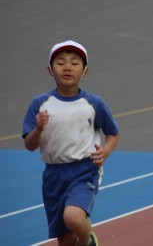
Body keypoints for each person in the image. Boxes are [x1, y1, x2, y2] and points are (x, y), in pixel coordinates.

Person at [22, 40, 120, 246]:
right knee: (65, 239)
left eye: (74, 63)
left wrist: (106, 151)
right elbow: (30, 145)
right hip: (53, 175)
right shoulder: (40, 104)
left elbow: (113, 133)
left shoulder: (93, 103)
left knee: (73, 218)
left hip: (84, 170)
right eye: (60, 63)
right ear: (50, 70)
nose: (67, 67)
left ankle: (87, 242)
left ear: (85, 71)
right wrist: (38, 129)